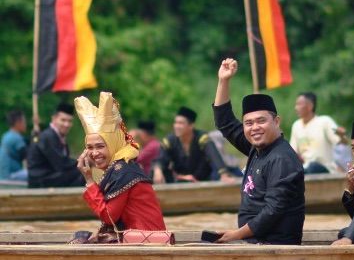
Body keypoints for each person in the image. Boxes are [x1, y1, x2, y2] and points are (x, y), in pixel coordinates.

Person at [213, 58, 305, 244]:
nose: (254, 127)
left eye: (261, 121)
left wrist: (237, 234)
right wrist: (224, 81)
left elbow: (273, 210)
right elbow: (226, 124)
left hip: (275, 244)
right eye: (249, 123)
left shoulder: (282, 158)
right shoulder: (256, 147)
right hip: (253, 239)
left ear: (276, 122)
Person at [75, 91, 167, 232]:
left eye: (100, 146)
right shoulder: (117, 167)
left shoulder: (123, 171)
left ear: (113, 144)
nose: (94, 153)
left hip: (146, 242)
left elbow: (108, 217)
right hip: (134, 238)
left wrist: (89, 180)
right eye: (90, 147)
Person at [153, 107, 235, 184]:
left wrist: (223, 174)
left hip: (202, 179)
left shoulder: (202, 137)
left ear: (191, 126)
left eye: (180, 123)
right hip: (180, 179)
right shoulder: (170, 140)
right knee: (156, 171)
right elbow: (161, 158)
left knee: (221, 172)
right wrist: (158, 170)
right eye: (175, 123)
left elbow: (214, 155)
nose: (176, 126)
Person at [27, 102, 82, 188]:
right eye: (63, 120)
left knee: (82, 171)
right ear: (54, 119)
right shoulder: (48, 136)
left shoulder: (58, 137)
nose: (66, 124)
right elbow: (61, 164)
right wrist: (83, 161)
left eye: (69, 121)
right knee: (81, 171)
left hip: (51, 176)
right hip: (40, 180)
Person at [289, 92, 346, 174]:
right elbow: (293, 152)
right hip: (305, 169)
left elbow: (341, 143)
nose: (296, 108)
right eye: (296, 104)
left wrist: (342, 135)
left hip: (325, 168)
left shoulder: (325, 121)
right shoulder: (296, 125)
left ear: (310, 106)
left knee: (313, 167)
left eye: (299, 104)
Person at [0, 109, 28, 182]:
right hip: (10, 176)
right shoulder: (17, 138)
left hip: (2, 175)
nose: (25, 125)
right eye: (24, 122)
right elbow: (28, 156)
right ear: (18, 123)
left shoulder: (6, 136)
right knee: (37, 174)